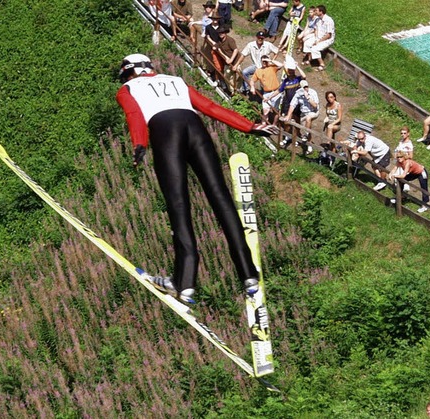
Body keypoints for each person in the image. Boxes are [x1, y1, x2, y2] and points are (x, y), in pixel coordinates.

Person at [115, 53, 278, 303]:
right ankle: (248, 274)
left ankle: (185, 283)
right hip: (195, 128)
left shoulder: (127, 89)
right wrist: (249, 126)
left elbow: (134, 116)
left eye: (126, 74)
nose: (125, 79)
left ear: (132, 71)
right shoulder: (176, 80)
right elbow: (210, 107)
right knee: (220, 197)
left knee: (179, 205)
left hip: (166, 132)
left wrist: (139, 144)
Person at [302, 5, 334, 71]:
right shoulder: (318, 19)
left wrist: (318, 41)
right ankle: (309, 59)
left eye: (316, 10)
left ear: (321, 12)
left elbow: (329, 35)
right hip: (318, 37)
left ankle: (322, 64)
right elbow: (316, 29)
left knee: (314, 49)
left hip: (327, 40)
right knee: (307, 43)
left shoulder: (329, 20)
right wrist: (316, 39)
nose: (315, 11)